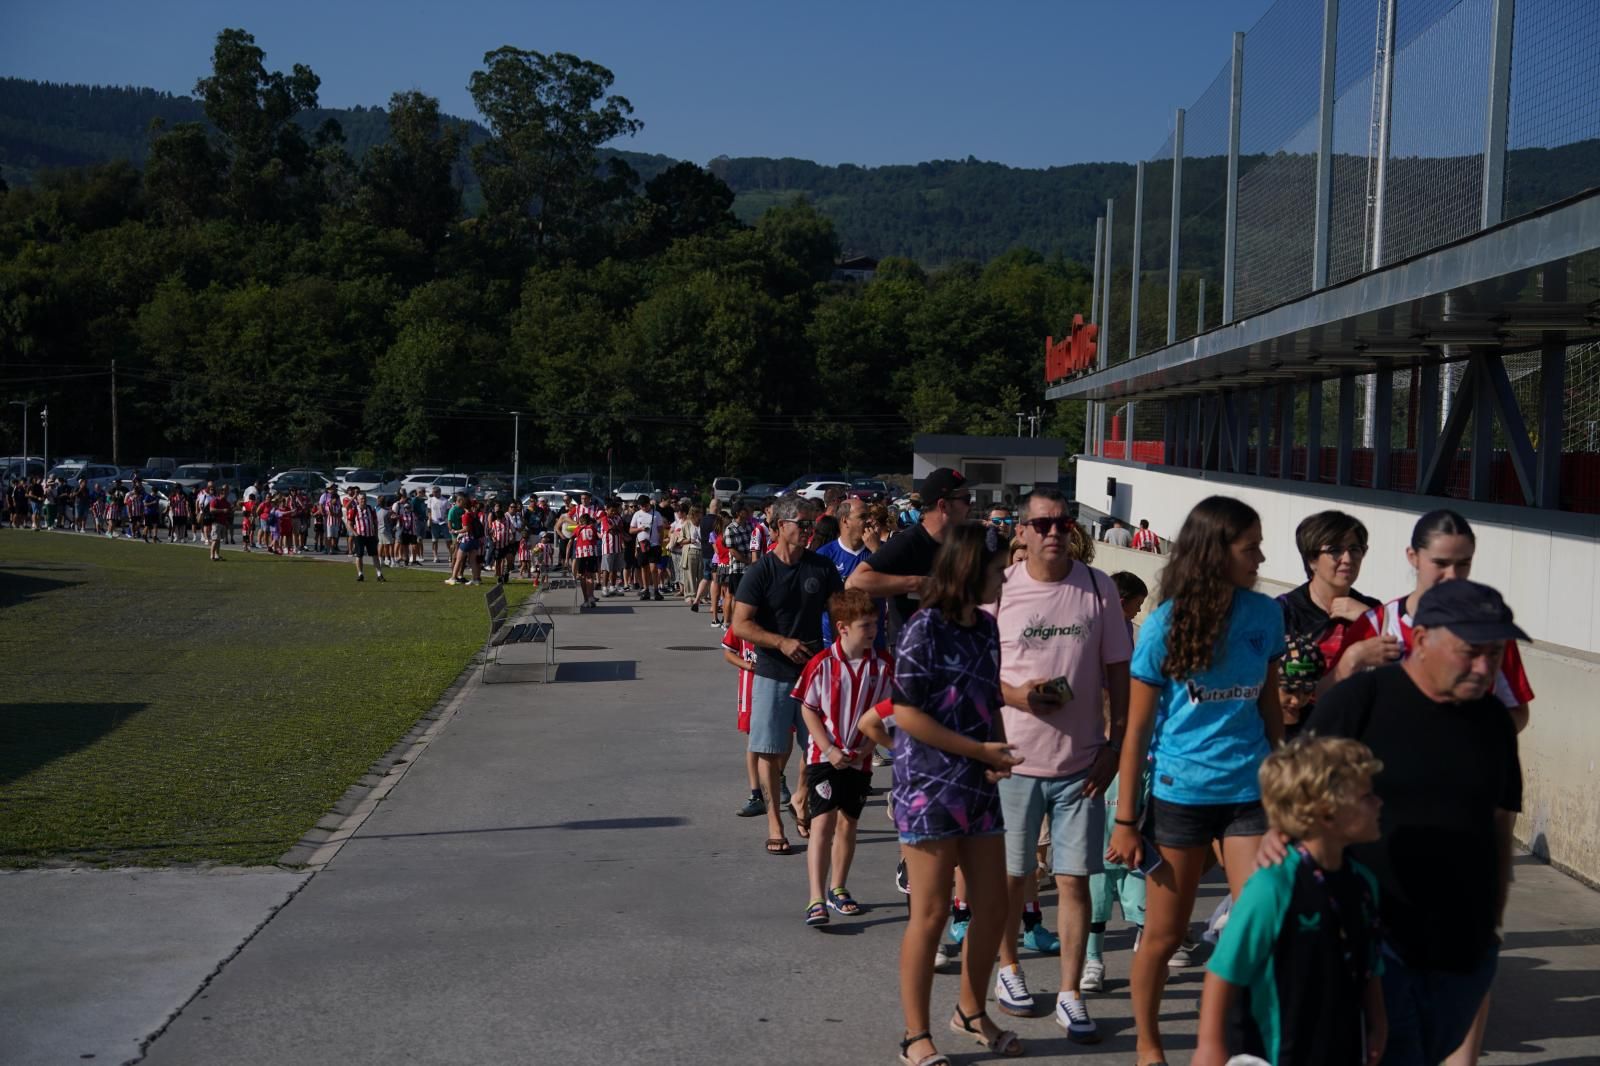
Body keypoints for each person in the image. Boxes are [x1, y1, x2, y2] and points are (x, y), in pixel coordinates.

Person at [1292, 579, 1524, 1066]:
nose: (1486, 668)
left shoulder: (1495, 722)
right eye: (1471, 652)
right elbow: (1294, 795)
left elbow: (1500, 823)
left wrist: (1493, 924)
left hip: (1465, 952)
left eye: (1495, 652)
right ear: (1421, 641)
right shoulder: (1361, 701)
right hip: (1377, 947)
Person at [1107, 494, 1285, 1066]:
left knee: (1262, 924)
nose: (1260, 556)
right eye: (1249, 546)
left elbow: (1272, 711)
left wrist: (1284, 793)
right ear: (1215, 553)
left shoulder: (1267, 616)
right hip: (1179, 797)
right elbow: (1134, 734)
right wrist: (1127, 821)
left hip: (1250, 795)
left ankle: (1254, 1045)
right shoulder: (1163, 626)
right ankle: (1149, 1043)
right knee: (1163, 935)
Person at [988, 488, 1132, 1040]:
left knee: (1074, 883)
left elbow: (1119, 673)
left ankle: (1071, 993)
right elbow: (979, 672)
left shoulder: (1097, 588)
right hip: (1014, 762)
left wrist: (1116, 746)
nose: (1053, 532)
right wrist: (1019, 699)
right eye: (1041, 524)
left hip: (1082, 765)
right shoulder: (999, 591)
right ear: (1020, 532)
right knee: (1011, 878)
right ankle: (1008, 970)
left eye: (1061, 523)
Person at [892, 522, 1025, 1066]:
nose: (1006, 578)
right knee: (931, 912)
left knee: (993, 905)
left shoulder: (985, 630)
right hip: (926, 786)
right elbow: (905, 714)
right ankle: (915, 1035)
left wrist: (997, 745)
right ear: (971, 571)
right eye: (998, 571)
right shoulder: (923, 628)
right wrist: (978, 753)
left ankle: (971, 1010)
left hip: (977, 784)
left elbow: (988, 697)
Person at [1193, 736, 1387, 1066]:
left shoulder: (1363, 882)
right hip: (1275, 1052)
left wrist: (1378, 1025)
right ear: (1327, 812)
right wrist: (1209, 1047)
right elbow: (1224, 971)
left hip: (1342, 1046)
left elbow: (1370, 966)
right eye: (1366, 796)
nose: (1379, 803)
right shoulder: (1272, 886)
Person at [1339, 509, 1534, 734]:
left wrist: (1469, 741)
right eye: (1440, 563)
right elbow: (1328, 702)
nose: (1452, 575)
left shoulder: (1490, 629)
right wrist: (1351, 660)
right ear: (1413, 557)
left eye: (1463, 564)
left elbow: (1517, 711)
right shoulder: (1376, 623)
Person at [730, 496, 844, 856]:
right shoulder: (760, 572)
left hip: (813, 675)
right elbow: (740, 624)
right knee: (770, 749)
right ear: (780, 526)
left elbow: (842, 609)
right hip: (773, 673)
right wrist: (780, 642)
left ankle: (801, 797)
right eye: (802, 524)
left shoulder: (821, 567)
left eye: (812, 524)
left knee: (815, 748)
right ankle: (774, 823)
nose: (809, 531)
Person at [793, 588, 894, 927]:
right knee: (823, 822)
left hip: (860, 757)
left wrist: (868, 748)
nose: (873, 631)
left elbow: (888, 713)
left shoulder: (882, 666)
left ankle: (839, 887)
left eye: (875, 624)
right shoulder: (822, 664)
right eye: (865, 625)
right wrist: (829, 747)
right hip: (825, 756)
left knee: (849, 821)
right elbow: (808, 710)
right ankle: (815, 897)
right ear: (843, 627)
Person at [1083, 571, 1151, 995]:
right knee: (1095, 903)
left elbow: (1148, 792)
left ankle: (1149, 953)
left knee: (1143, 902)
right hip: (1096, 844)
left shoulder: (1143, 753)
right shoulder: (1091, 752)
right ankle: (1093, 961)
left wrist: (1138, 827)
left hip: (1137, 844)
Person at [1276, 511, 1389, 737]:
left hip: (1355, 732)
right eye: (1335, 550)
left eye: (1355, 549)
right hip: (1299, 737)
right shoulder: (1283, 611)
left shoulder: (1372, 609)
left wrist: (1369, 619)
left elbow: (1394, 671)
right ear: (1312, 560)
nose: (1347, 559)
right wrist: (1350, 661)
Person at [849, 467, 973, 644]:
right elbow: (855, 582)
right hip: (913, 652)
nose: (971, 506)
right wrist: (917, 583)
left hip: (950, 648)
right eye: (966, 499)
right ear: (943, 505)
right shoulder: (908, 541)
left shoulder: (961, 543)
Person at [721, 620, 766, 818]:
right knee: (753, 742)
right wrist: (747, 665)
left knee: (784, 740)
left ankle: (777, 780)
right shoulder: (741, 622)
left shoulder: (778, 618)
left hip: (778, 685)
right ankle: (756, 793)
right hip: (749, 691)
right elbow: (728, 652)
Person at [631, 494, 664, 601]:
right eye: (642, 506)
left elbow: (661, 529)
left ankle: (656, 590)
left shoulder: (656, 514)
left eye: (645, 505)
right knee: (644, 568)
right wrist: (640, 529)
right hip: (642, 545)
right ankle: (646, 590)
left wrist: (660, 542)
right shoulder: (637, 514)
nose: (644, 507)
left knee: (654, 568)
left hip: (654, 545)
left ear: (649, 503)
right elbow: (631, 530)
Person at [347, 489, 384, 582]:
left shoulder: (371, 509)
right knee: (359, 555)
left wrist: (375, 534)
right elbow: (349, 524)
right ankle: (360, 574)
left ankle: (379, 574)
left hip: (370, 535)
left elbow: (375, 522)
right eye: (362, 499)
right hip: (360, 535)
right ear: (358, 500)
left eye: (365, 498)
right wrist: (356, 534)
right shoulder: (354, 510)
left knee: (375, 555)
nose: (363, 500)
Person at [572, 512, 600, 607]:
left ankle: (586, 600)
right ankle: (591, 597)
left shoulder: (578, 528)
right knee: (590, 576)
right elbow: (598, 537)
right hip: (592, 553)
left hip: (581, 554)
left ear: (581, 521)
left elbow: (572, 538)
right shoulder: (593, 528)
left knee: (583, 577)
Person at [206, 486, 232, 562]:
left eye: (227, 493)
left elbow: (229, 511)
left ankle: (217, 555)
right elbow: (211, 510)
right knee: (215, 539)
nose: (226, 495)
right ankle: (212, 555)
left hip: (223, 523)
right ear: (221, 494)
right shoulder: (215, 500)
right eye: (225, 494)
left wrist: (230, 510)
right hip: (216, 523)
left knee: (218, 540)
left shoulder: (226, 502)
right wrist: (222, 510)